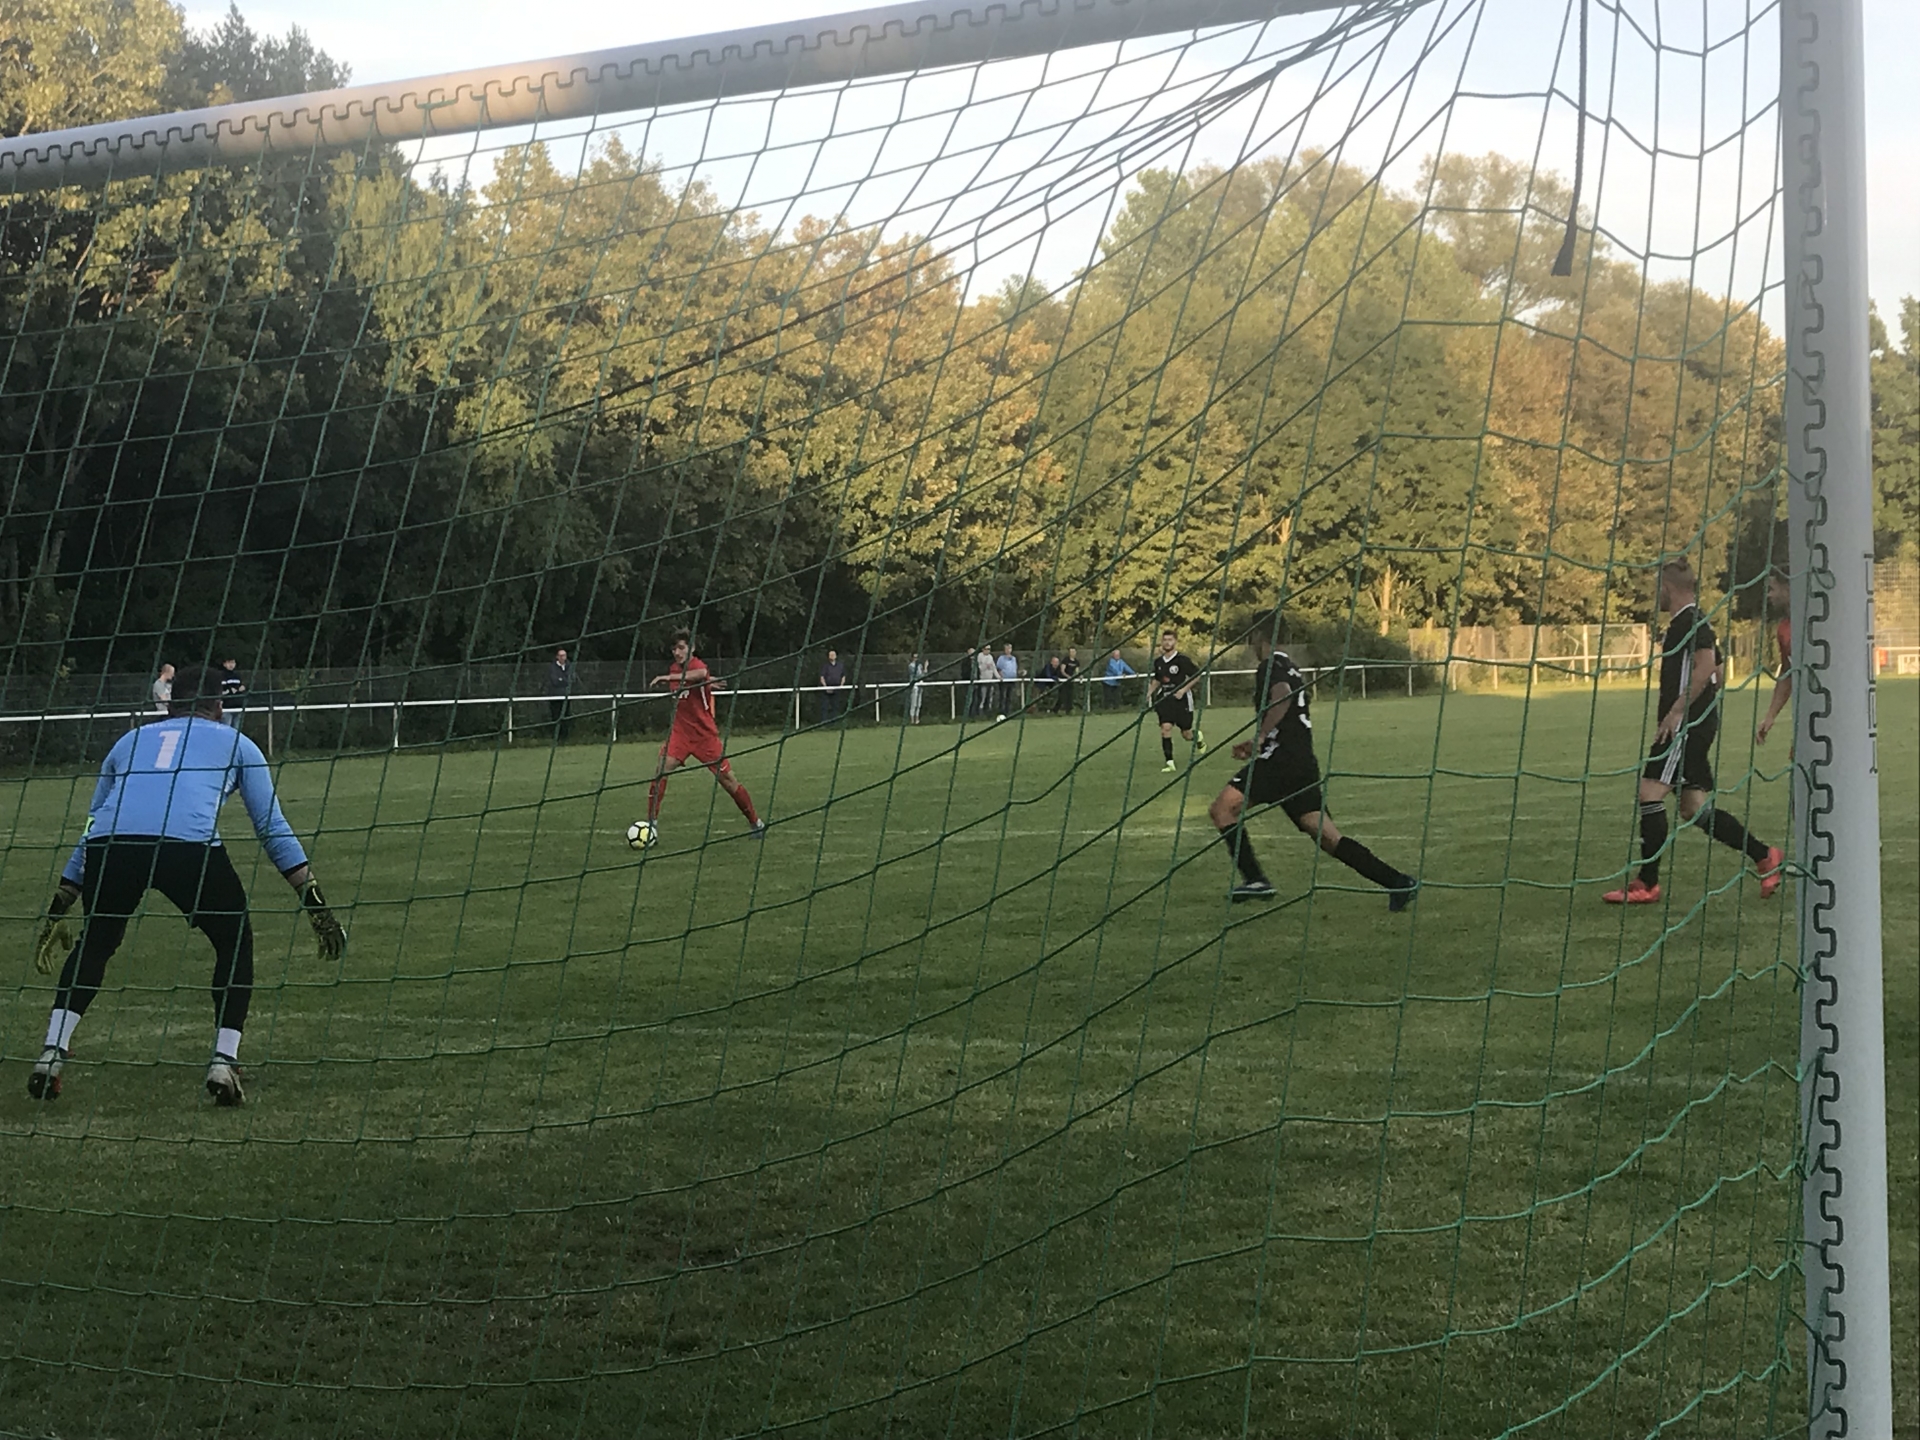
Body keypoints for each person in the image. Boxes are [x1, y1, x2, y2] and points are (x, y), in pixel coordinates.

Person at [28, 666, 345, 1105]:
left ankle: (51, 1053)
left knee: (96, 943)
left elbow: (92, 826)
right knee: (234, 940)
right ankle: (224, 1061)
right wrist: (315, 902)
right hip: (185, 845)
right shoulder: (237, 743)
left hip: (111, 845)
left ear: (170, 704)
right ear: (218, 705)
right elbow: (272, 828)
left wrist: (61, 900)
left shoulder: (129, 741)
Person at [1207, 610, 1417, 908]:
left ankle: (1255, 879)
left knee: (1222, 810)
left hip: (1279, 762)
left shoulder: (1269, 666)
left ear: (1259, 636)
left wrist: (1261, 737)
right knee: (1328, 838)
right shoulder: (1292, 667)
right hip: (1302, 764)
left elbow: (1282, 695)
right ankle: (1397, 882)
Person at [1604, 560, 1784, 904]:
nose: (1654, 595)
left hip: (1685, 726)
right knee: (1693, 808)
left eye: (1656, 587)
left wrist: (1678, 710)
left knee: (1650, 793)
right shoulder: (1694, 621)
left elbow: (1705, 666)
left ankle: (1647, 884)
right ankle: (1765, 856)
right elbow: (1718, 672)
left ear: (1667, 587)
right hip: (1696, 724)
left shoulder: (1690, 621)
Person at [647, 630, 764, 840]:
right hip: (680, 734)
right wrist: (705, 682)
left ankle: (756, 823)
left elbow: (700, 674)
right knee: (660, 771)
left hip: (705, 736)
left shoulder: (696, 666)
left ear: (692, 648)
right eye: (674, 649)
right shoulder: (675, 669)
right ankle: (651, 825)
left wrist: (669, 678)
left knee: (728, 781)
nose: (677, 652)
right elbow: (696, 681)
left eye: (681, 648)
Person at [1149, 628, 1206, 771]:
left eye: (1170, 640)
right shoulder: (1158, 662)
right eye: (1165, 640)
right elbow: (1157, 679)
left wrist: (1183, 690)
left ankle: (1197, 737)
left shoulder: (1182, 660)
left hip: (1182, 700)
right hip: (1165, 699)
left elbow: (1197, 675)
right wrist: (1148, 693)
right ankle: (1169, 763)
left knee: (1186, 734)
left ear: (1175, 642)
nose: (1167, 643)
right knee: (1165, 728)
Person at [1755, 568, 1794, 746]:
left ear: (1788, 587)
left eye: (1772, 589)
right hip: (1806, 714)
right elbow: (1787, 672)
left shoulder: (1819, 621)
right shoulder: (1784, 629)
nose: (1769, 595)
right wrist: (1770, 716)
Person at [546, 648, 572, 741]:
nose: (562, 657)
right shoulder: (552, 667)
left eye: (564, 655)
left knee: (566, 716)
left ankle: (565, 738)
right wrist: (564, 680)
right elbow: (555, 681)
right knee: (556, 716)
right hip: (555, 697)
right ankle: (556, 737)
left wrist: (562, 679)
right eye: (560, 656)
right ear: (557, 657)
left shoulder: (569, 666)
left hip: (566, 696)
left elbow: (572, 679)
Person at [819, 649, 848, 724]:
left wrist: (841, 686)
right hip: (827, 689)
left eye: (833, 655)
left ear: (836, 656)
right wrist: (825, 687)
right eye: (830, 655)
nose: (832, 656)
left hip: (837, 688)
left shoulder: (840, 665)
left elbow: (843, 676)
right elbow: (822, 677)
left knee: (835, 705)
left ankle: (834, 722)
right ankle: (824, 722)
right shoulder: (825, 666)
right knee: (825, 706)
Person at [973, 645, 999, 717]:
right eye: (986, 649)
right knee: (983, 696)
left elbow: (993, 668)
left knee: (990, 696)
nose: (988, 651)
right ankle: (980, 711)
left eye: (989, 649)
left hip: (990, 680)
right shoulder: (980, 656)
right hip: (982, 680)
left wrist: (998, 677)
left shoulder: (990, 657)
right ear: (983, 649)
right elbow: (979, 668)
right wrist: (986, 666)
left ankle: (988, 711)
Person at [218, 658, 245, 726]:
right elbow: (222, 689)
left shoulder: (237, 676)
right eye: (229, 662)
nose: (231, 665)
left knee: (236, 729)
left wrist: (240, 689)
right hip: (226, 707)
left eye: (233, 662)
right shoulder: (221, 676)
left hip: (238, 706)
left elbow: (241, 687)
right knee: (226, 728)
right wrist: (230, 690)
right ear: (224, 664)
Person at [995, 644, 1019, 719]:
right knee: (1003, 696)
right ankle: (1001, 712)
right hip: (1004, 680)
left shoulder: (1014, 659)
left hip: (1012, 680)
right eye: (1007, 648)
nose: (1008, 650)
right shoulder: (1001, 658)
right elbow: (998, 669)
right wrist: (1000, 677)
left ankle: (1008, 712)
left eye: (1009, 648)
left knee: (1009, 697)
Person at [906, 653, 929, 724]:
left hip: (920, 684)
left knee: (919, 703)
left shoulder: (919, 666)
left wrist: (925, 669)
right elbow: (917, 675)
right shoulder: (911, 666)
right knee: (914, 703)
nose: (916, 659)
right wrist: (925, 669)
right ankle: (912, 719)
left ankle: (917, 719)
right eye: (914, 657)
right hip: (914, 685)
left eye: (917, 657)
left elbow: (923, 675)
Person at [1058, 648, 1080, 714]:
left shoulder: (1076, 662)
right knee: (1063, 696)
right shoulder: (1065, 660)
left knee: (1070, 695)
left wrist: (1079, 676)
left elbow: (1077, 672)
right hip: (1063, 681)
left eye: (1073, 651)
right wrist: (1068, 677)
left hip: (1070, 682)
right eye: (1071, 651)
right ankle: (1061, 710)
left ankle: (1069, 710)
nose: (1072, 653)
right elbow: (1062, 671)